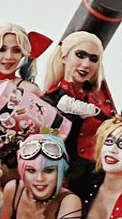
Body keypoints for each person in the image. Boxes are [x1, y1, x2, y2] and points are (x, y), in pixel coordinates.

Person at [41, 31, 116, 191]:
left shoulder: (100, 95)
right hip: (68, 181)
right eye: (80, 55)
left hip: (104, 177)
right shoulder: (51, 99)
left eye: (93, 59)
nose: (86, 64)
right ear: (64, 57)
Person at [0, 19, 48, 96]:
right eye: (1, 49)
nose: (9, 57)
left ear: (23, 54)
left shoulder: (30, 90)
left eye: (16, 50)